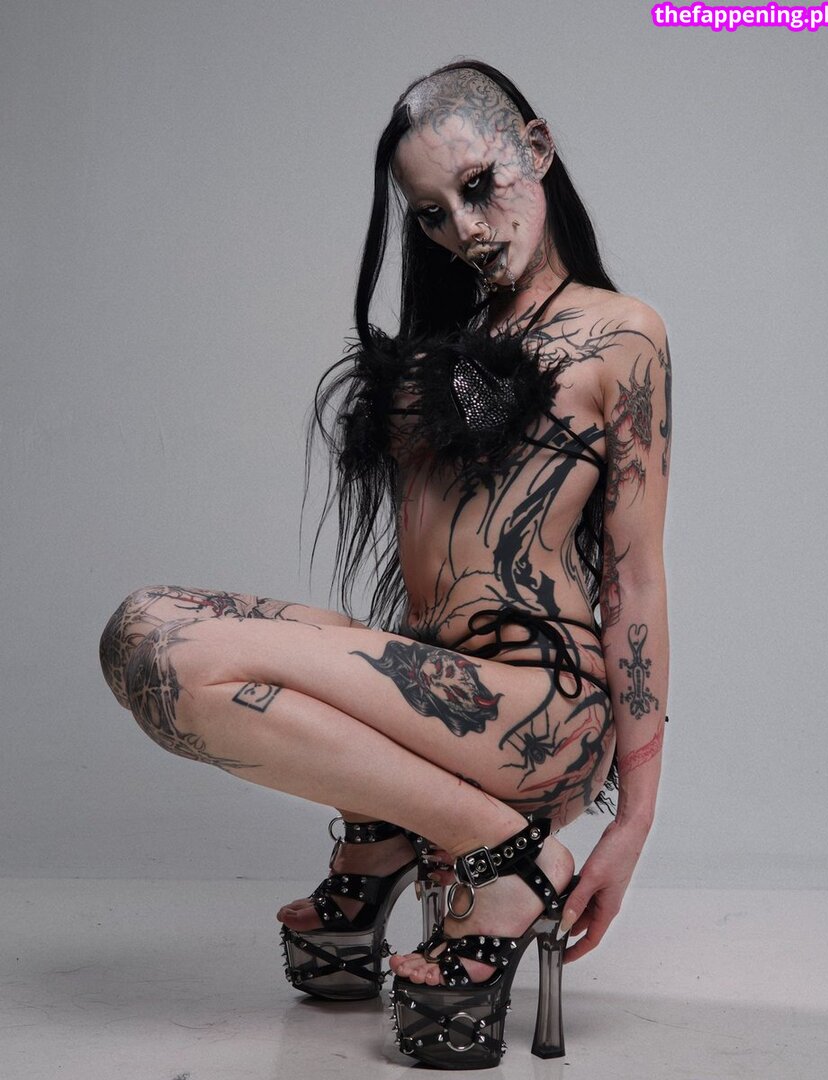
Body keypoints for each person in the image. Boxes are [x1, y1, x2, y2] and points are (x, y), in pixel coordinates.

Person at [99, 59, 671, 1069]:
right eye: (434, 213)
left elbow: (634, 579)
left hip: (539, 704)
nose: (466, 228)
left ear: (537, 148)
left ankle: (503, 859)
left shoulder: (620, 334)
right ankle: (401, 831)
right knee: (142, 625)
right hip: (438, 677)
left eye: (481, 186)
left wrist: (634, 818)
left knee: (181, 666)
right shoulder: (453, 335)